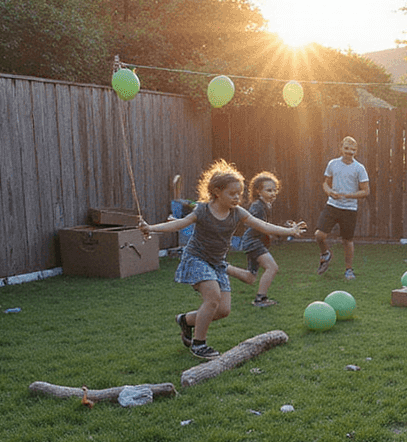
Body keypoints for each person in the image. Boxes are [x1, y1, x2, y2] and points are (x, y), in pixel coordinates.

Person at [140, 160, 306, 360]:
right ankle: (199, 345)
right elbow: (179, 224)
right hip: (196, 258)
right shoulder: (202, 211)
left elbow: (262, 226)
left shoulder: (237, 213)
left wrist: (290, 230)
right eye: (232, 193)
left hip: (217, 263)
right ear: (217, 192)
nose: (237, 197)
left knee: (223, 310)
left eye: (240, 193)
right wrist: (150, 228)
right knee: (212, 298)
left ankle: (185, 320)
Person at [316, 136, 370, 279]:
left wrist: (349, 195)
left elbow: (366, 191)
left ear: (356, 151)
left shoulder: (359, 168)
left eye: (353, 149)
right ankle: (325, 254)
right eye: (346, 148)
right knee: (319, 235)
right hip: (332, 206)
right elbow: (325, 183)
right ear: (341, 148)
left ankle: (349, 270)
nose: (349, 152)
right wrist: (329, 192)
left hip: (349, 209)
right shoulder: (333, 164)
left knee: (347, 240)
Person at [239, 171, 287, 306]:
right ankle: (261, 299)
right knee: (272, 267)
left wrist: (279, 232)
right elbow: (260, 226)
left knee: (250, 277)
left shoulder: (266, 205)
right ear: (258, 191)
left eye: (274, 190)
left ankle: (224, 267)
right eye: (269, 190)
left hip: (254, 242)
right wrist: (282, 231)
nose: (273, 193)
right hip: (253, 242)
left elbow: (265, 228)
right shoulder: (257, 206)